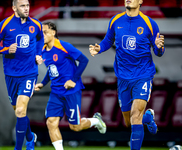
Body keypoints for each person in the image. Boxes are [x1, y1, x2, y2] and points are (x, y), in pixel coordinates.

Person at [89, 0, 165, 150]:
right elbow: (107, 40)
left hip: (143, 75)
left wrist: (159, 47)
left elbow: (158, 52)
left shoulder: (149, 24)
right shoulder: (115, 20)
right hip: (123, 78)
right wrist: (99, 48)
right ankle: (148, 117)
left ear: (141, 1)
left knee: (135, 115)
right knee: (129, 121)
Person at [35, 22, 106, 150]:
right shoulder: (43, 51)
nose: (42, 35)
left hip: (71, 91)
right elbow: (51, 69)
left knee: (75, 127)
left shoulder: (64, 46)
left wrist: (73, 80)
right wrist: (42, 83)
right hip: (56, 93)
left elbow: (84, 60)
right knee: (51, 123)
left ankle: (96, 121)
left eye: (45, 32)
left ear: (53, 32)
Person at [0, 0, 44, 150]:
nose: (26, 9)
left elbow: (40, 40)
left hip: (30, 73)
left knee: (20, 110)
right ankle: (30, 137)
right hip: (11, 75)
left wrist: (39, 54)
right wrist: (6, 49)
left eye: (27, 6)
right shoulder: (4, 25)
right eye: (22, 6)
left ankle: (19, 148)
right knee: (19, 111)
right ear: (14, 8)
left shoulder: (36, 24)